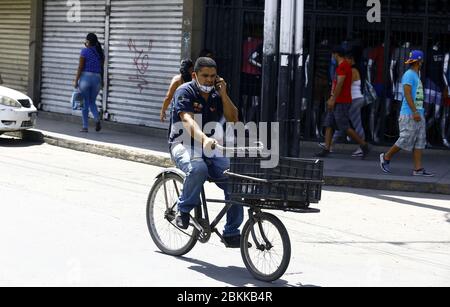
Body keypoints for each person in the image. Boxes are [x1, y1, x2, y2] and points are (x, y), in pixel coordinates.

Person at [168, 57, 243, 248]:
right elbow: (187, 121)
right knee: (198, 168)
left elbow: (234, 118)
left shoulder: (218, 95)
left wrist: (224, 94)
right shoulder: (185, 91)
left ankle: (232, 231)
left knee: (235, 177)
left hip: (211, 147)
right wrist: (205, 139)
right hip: (183, 143)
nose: (209, 80)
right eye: (205, 76)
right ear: (195, 75)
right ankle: (183, 210)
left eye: (213, 76)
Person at [380, 50, 434, 177]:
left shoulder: (416, 74)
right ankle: (386, 157)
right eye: (421, 61)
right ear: (420, 61)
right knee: (405, 139)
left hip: (418, 113)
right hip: (410, 113)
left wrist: (419, 112)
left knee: (420, 141)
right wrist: (415, 111)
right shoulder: (409, 74)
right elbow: (407, 94)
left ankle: (418, 169)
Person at [316, 46, 370, 159]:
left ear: (336, 54)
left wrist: (332, 99)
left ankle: (363, 145)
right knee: (329, 124)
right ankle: (326, 148)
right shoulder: (343, 66)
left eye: (333, 55)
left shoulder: (343, 67)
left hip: (341, 101)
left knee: (344, 127)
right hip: (338, 100)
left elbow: (340, 84)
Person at [326, 54, 367, 157]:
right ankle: (330, 145)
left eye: (347, 59)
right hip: (353, 100)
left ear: (351, 59)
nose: (345, 61)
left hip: (354, 99)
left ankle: (362, 146)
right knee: (342, 123)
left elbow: (343, 83)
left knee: (354, 124)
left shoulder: (352, 70)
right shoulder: (353, 69)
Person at [74, 33, 104, 133]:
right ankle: (97, 119)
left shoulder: (84, 51)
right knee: (92, 102)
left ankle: (85, 127)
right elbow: (102, 68)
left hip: (86, 78)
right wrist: (102, 81)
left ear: (88, 41)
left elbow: (80, 67)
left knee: (85, 103)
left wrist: (76, 80)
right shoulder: (100, 52)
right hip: (97, 78)